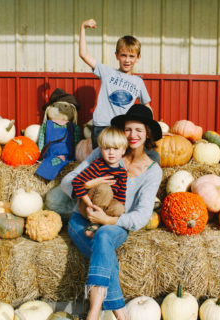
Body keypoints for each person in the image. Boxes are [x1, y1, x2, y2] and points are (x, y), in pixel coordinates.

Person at [61, 104, 162, 320]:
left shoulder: (153, 171)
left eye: (139, 130)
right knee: (105, 253)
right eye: (128, 129)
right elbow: (67, 182)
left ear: (148, 134)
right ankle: (120, 314)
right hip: (82, 220)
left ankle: (94, 312)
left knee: (104, 234)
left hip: (116, 224)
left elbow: (142, 215)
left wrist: (108, 219)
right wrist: (92, 183)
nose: (132, 135)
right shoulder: (107, 151)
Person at [79, 18, 152, 149]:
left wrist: (153, 127)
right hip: (102, 126)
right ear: (117, 55)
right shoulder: (107, 72)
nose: (127, 60)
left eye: (131, 56)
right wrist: (83, 27)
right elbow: (83, 55)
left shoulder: (138, 82)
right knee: (100, 162)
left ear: (138, 58)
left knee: (118, 162)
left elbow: (147, 106)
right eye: (123, 55)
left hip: (121, 128)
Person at [71, 126, 128, 237]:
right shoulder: (97, 165)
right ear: (101, 149)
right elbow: (76, 182)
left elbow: (121, 196)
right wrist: (90, 205)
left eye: (116, 149)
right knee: (104, 188)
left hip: (105, 207)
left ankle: (101, 221)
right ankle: (95, 223)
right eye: (107, 148)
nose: (111, 152)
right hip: (88, 206)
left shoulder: (122, 173)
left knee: (120, 207)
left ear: (123, 150)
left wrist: (116, 214)